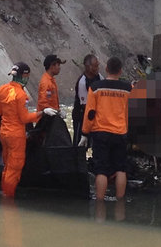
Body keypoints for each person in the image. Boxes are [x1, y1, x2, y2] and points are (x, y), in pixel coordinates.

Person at [0, 62, 58, 198]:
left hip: (3, 134)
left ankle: (4, 193)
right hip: (16, 136)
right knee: (14, 169)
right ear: (25, 76)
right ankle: (8, 200)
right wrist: (42, 113)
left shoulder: (1, 90)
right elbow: (24, 118)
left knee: (6, 166)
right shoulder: (21, 95)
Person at [79, 57, 132, 201]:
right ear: (120, 71)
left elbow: (90, 113)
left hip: (101, 133)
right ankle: (120, 201)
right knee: (121, 169)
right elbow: (130, 112)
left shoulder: (96, 87)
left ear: (106, 69)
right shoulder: (128, 89)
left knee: (101, 170)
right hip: (120, 132)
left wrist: (84, 133)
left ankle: (100, 202)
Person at [72, 54, 104, 146]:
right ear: (88, 66)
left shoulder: (99, 77)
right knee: (79, 145)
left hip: (95, 115)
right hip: (81, 116)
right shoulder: (82, 82)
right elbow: (86, 106)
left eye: (98, 65)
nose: (97, 68)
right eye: (95, 66)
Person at [37, 54, 66, 119]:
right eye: (58, 65)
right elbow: (43, 103)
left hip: (52, 117)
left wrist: (58, 111)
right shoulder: (46, 82)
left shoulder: (51, 81)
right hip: (46, 119)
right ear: (51, 66)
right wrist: (57, 111)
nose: (59, 67)